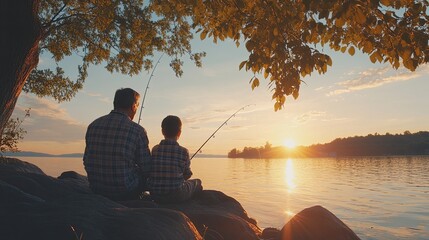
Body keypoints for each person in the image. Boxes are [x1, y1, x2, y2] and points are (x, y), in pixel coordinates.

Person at [83, 88, 151, 201]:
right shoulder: (138, 131)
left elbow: (86, 160)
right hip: (126, 191)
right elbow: (147, 168)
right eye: (137, 106)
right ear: (133, 106)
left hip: (96, 188)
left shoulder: (93, 125)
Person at [148, 115, 202, 203]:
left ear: (162, 131)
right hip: (177, 195)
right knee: (197, 182)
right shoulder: (184, 151)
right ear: (179, 133)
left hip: (155, 194)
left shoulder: (155, 149)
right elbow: (187, 174)